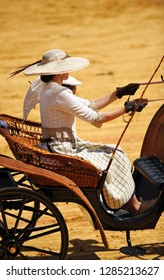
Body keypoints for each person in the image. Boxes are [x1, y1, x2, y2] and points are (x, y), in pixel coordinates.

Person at [10, 48, 157, 215]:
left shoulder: (48, 88)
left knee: (113, 153)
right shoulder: (59, 93)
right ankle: (133, 206)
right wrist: (127, 108)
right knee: (115, 155)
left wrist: (119, 93)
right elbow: (97, 117)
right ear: (59, 71)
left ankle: (125, 202)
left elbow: (91, 105)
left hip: (57, 145)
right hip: (63, 149)